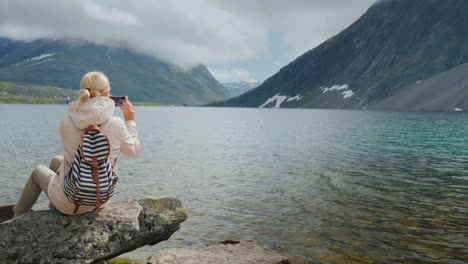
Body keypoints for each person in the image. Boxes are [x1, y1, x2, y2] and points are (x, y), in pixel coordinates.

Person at [13, 71, 141, 217]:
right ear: (107, 94)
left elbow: (71, 153)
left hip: (68, 200)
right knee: (56, 160)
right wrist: (130, 121)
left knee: (38, 171)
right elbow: (134, 151)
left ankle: (15, 218)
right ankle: (54, 206)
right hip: (100, 199)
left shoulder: (67, 120)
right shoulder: (116, 124)